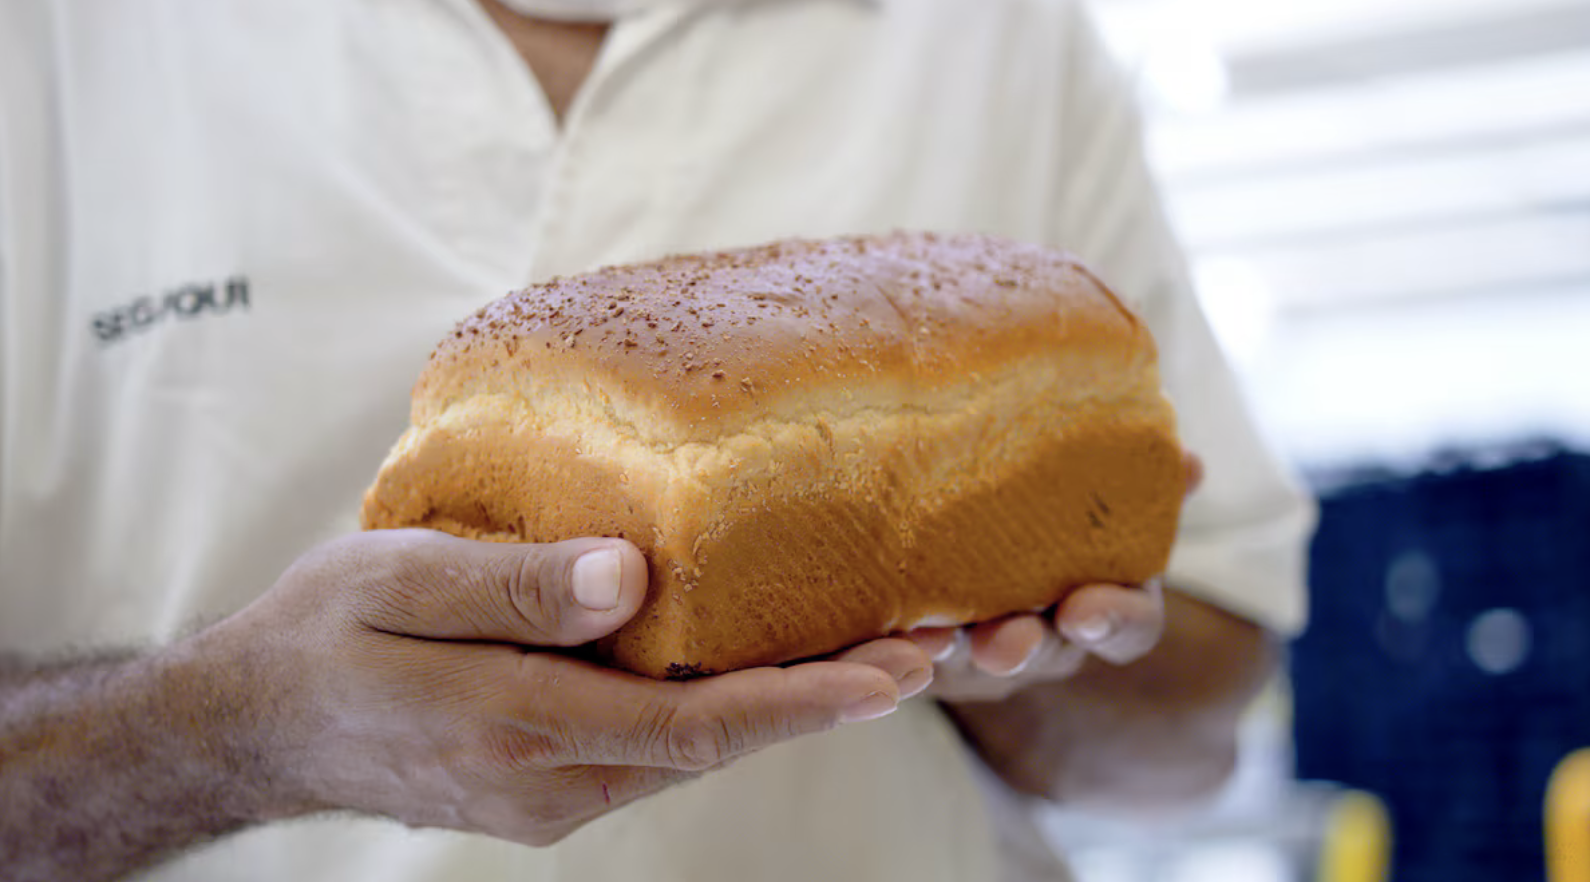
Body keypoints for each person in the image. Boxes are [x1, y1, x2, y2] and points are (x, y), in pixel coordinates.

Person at [0, 0, 1315, 880]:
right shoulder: (59, 47)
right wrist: (236, 731)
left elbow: (1192, 734)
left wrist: (1006, 664)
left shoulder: (993, 40)